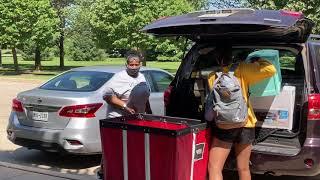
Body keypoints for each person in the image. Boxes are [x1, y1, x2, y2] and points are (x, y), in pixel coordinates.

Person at [205, 45, 276, 180]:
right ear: (232, 57)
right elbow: (270, 70)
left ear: (216, 59)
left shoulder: (212, 76)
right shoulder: (243, 69)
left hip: (224, 125)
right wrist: (258, 58)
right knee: (243, 168)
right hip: (245, 123)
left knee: (214, 168)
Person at [97, 52, 152, 179]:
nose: (134, 67)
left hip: (135, 118)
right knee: (113, 147)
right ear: (126, 64)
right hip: (117, 117)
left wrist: (149, 112)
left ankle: (126, 171)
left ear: (140, 64)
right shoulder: (118, 77)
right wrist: (125, 106)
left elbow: (145, 96)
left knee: (131, 147)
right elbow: (107, 96)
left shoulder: (142, 77)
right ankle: (104, 172)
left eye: (136, 64)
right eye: (131, 64)